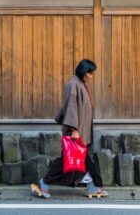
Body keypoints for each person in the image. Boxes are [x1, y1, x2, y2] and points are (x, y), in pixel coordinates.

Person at [31, 59, 108, 199]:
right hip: (76, 132)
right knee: (67, 160)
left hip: (82, 130)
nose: (91, 76)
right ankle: (44, 182)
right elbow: (71, 107)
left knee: (83, 160)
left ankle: (92, 187)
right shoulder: (73, 85)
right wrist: (74, 129)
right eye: (90, 73)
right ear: (84, 72)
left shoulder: (80, 84)